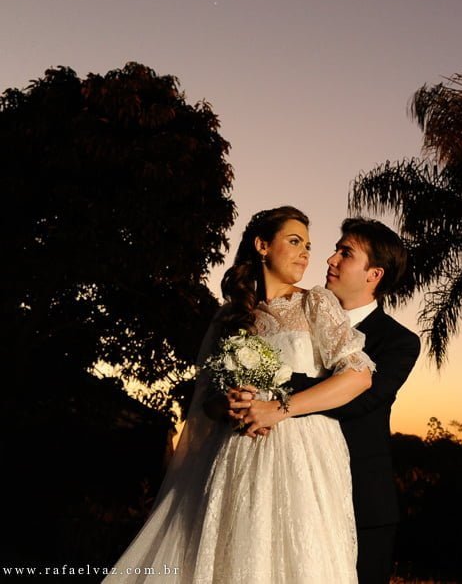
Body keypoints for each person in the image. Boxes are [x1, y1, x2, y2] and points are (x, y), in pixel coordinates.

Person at [104, 206, 374, 583]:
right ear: (262, 245)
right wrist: (228, 404)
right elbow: (208, 401)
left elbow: (359, 376)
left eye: (308, 246)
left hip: (300, 454)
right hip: (237, 454)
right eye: (294, 241)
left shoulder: (315, 302)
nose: (305, 253)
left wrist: (279, 409)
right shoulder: (231, 317)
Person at [231, 218, 421, 584]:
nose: (330, 260)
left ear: (374, 274)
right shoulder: (296, 311)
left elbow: (360, 400)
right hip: (287, 488)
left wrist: (271, 384)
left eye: (346, 253)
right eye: (335, 250)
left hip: (361, 500)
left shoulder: (398, 342)